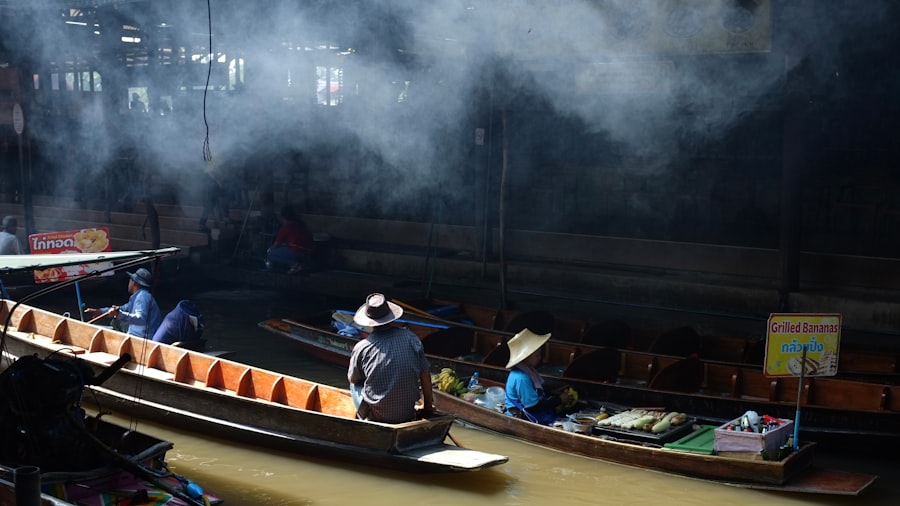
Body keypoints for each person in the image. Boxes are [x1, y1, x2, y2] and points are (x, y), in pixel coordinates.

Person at [347, 293, 434, 423]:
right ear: (391, 319)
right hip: (407, 413)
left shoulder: (362, 347)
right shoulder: (411, 338)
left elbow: (353, 379)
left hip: (377, 416)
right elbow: (425, 374)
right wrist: (427, 407)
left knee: (355, 385)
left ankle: (363, 420)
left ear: (370, 323)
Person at [503, 328, 574, 425]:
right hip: (523, 415)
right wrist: (559, 399)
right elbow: (533, 407)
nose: (539, 357)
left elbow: (536, 389)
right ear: (526, 357)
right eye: (537, 355)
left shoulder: (528, 369)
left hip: (532, 409)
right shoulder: (522, 378)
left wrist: (552, 392)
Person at [85, 267, 162, 338]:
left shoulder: (142, 296)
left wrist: (119, 314)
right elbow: (123, 308)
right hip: (137, 336)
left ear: (134, 283)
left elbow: (140, 319)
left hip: (142, 339)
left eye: (130, 280)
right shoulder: (139, 297)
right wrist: (101, 311)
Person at [266, 205, 314, 274]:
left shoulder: (286, 227)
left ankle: (295, 265)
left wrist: (269, 249)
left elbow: (276, 245)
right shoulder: (301, 224)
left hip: (297, 252)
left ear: (282, 217)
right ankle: (299, 265)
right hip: (309, 252)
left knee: (270, 255)